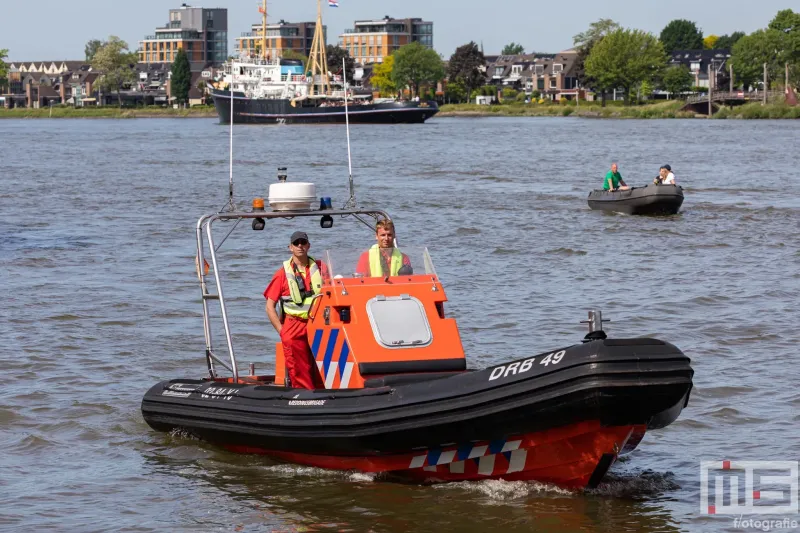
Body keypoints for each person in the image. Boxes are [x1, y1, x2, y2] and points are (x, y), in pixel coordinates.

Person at [264, 231, 328, 390]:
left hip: (319, 323)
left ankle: (327, 395)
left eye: (303, 242)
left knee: (327, 366)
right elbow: (269, 307)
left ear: (308, 246)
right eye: (296, 243)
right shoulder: (281, 275)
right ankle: (304, 397)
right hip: (294, 326)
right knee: (300, 371)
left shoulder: (321, 268)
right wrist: (282, 331)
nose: (300, 246)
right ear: (290, 247)